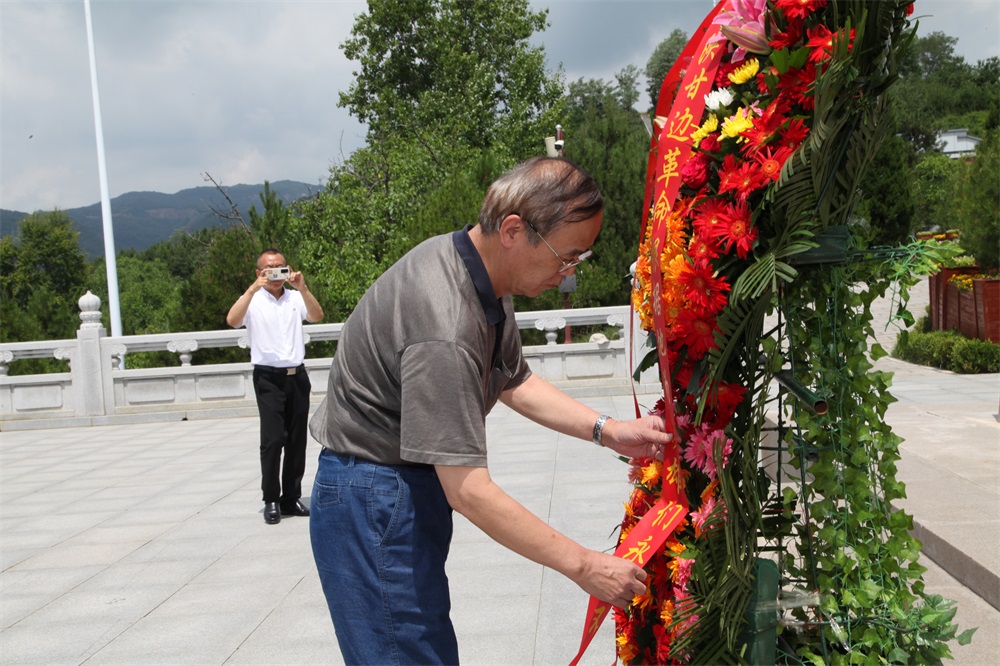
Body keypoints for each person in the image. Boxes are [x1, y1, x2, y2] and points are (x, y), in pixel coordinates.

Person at [308, 157, 672, 663]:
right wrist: (585, 565)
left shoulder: (478, 273)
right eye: (565, 257)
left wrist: (608, 430)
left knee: (420, 644)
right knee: (403, 650)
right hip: (373, 494)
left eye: (579, 260)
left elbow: (512, 378)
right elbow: (469, 490)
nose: (569, 275)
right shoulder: (445, 322)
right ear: (514, 230)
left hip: (400, 484)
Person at [227, 249, 324, 524]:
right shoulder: (253, 300)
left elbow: (316, 316)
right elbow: (233, 320)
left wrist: (302, 287)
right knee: (272, 440)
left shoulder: (295, 297)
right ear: (259, 273)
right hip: (268, 377)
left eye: (280, 267)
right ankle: (271, 498)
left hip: (297, 375)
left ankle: (291, 497)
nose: (275, 273)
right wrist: (251, 290)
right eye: (269, 269)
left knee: (297, 440)